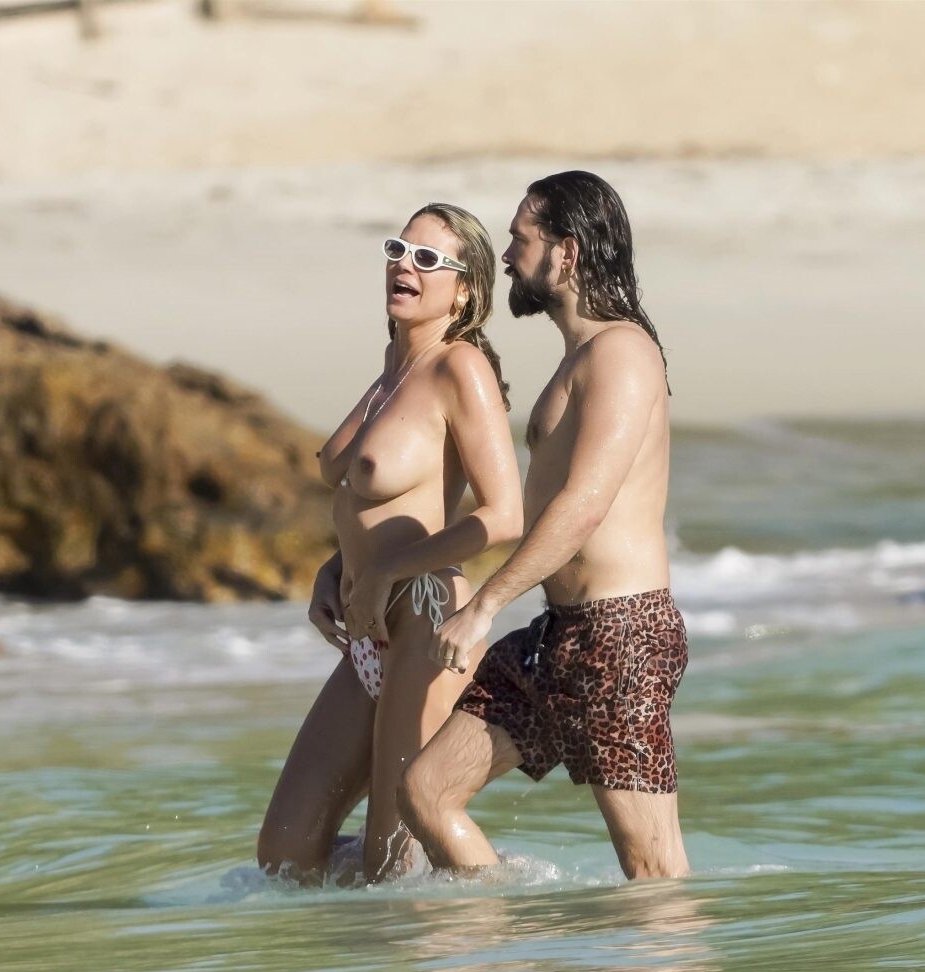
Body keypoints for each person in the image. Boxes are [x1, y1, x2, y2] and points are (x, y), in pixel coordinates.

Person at [398, 171, 691, 881]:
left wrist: (484, 607)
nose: (506, 256)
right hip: (560, 636)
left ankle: (663, 962)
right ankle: (508, 941)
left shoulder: (622, 352)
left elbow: (585, 503)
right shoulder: (582, 357)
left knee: (652, 870)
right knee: (426, 792)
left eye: (519, 240)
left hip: (621, 637)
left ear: (567, 252)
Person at [257, 203, 524, 885]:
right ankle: (457, 892)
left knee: (392, 859)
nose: (405, 265)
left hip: (426, 623)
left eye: (428, 259)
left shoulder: (460, 368)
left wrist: (384, 573)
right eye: (398, 250)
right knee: (286, 852)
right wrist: (340, 568)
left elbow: (504, 516)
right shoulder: (392, 368)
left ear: (463, 290)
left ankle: (488, 911)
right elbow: (374, 502)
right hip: (368, 628)